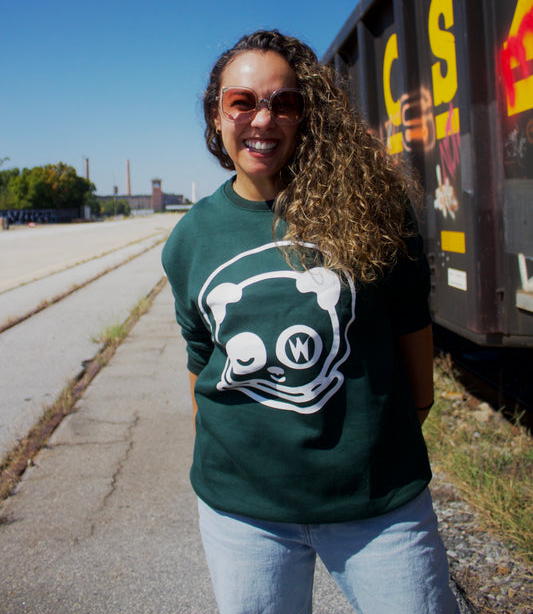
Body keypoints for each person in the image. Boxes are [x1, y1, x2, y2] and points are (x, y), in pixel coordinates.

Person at [162, 30, 459, 614]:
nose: (262, 119)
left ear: (307, 114)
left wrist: (398, 427)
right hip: (244, 513)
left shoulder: (369, 204)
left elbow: (409, 326)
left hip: (379, 505)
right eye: (242, 101)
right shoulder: (191, 238)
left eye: (284, 102)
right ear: (216, 114)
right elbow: (201, 361)